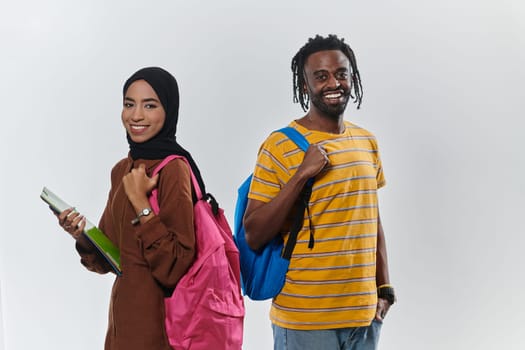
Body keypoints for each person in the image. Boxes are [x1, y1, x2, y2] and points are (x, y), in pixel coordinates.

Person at [243, 34, 395, 350]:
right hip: (306, 323)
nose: (333, 83)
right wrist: (301, 175)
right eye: (321, 76)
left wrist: (384, 290)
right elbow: (254, 233)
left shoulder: (366, 142)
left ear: (353, 78)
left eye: (341, 73)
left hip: (364, 320)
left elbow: (372, 221)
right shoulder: (279, 146)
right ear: (304, 86)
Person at [57, 67, 207, 349]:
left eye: (149, 105)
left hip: (163, 330)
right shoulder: (122, 170)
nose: (135, 115)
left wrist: (141, 204)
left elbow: (175, 266)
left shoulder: (173, 169)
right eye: (129, 104)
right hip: (122, 325)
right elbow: (112, 260)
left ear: (169, 110)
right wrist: (81, 235)